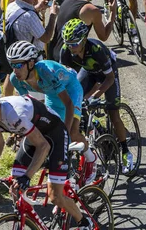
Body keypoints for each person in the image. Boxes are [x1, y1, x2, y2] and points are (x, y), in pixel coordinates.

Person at [0, 79, 93, 229]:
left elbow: (43, 146)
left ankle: (85, 222)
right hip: (34, 136)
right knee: (15, 186)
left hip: (55, 135)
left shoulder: (15, 114)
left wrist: (27, 176)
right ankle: (25, 220)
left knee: (55, 196)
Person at [7, 41, 97, 183]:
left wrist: (65, 134)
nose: (15, 70)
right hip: (53, 95)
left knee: (71, 133)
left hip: (71, 90)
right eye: (12, 65)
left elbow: (68, 104)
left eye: (18, 65)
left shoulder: (45, 72)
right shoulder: (16, 79)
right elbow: (30, 106)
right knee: (48, 130)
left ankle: (91, 158)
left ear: (31, 64)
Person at [59, 19, 134, 174]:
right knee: (77, 103)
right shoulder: (66, 51)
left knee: (113, 113)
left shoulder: (96, 49)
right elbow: (65, 78)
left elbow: (110, 79)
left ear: (84, 39)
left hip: (108, 74)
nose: (71, 47)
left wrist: (96, 95)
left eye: (74, 44)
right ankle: (96, 129)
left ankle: (126, 151)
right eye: (68, 44)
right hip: (89, 72)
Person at [1, 0, 58, 95]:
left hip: (16, 56)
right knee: (39, 96)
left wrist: (37, 8)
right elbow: (46, 37)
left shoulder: (11, 6)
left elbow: (22, 14)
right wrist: (53, 15)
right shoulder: (30, 16)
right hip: (31, 61)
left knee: (19, 88)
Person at [48, 0, 113, 63]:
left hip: (53, 53)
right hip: (69, 58)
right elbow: (103, 36)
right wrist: (113, 13)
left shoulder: (66, 1)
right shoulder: (91, 10)